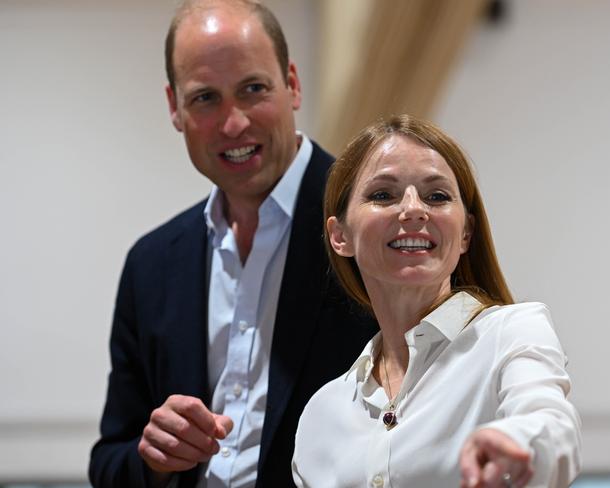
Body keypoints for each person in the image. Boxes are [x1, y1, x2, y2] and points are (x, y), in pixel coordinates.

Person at [88, 1, 376, 487]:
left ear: (293, 84)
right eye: (205, 98)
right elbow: (109, 462)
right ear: (174, 107)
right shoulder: (151, 265)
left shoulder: (373, 226)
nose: (233, 123)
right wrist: (153, 460)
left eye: (253, 89)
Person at [292, 114, 582, 488]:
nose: (413, 209)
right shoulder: (321, 413)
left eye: (437, 196)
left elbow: (551, 422)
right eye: (383, 194)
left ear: (465, 234)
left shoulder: (511, 333)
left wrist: (519, 440)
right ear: (339, 235)